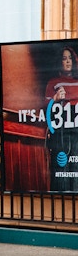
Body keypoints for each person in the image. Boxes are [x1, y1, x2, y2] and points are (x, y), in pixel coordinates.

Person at [45, 46, 78, 191]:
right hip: (61, 133)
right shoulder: (53, 82)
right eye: (64, 59)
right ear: (59, 62)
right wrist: (55, 98)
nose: (68, 62)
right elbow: (45, 106)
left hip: (77, 131)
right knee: (61, 170)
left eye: (70, 58)